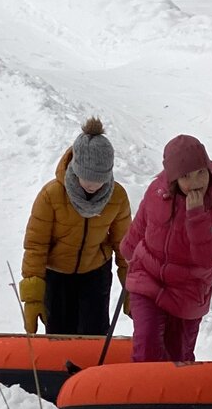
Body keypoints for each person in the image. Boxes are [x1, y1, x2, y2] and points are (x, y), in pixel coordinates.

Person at [121, 135, 212, 363]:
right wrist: (128, 252)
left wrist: (197, 216)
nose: (195, 182)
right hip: (148, 279)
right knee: (147, 345)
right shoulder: (157, 192)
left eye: (201, 173)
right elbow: (141, 224)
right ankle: (141, 393)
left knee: (178, 357)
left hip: (187, 293)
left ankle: (174, 395)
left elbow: (209, 258)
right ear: (174, 178)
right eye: (186, 176)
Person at [19, 117, 131, 335]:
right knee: (60, 331)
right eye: (85, 177)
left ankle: (95, 369)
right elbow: (36, 246)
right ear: (75, 169)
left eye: (98, 179)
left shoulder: (117, 197)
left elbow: (125, 244)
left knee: (95, 332)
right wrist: (32, 298)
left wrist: (133, 286)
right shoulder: (51, 195)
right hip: (57, 275)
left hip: (95, 274)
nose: (91, 185)